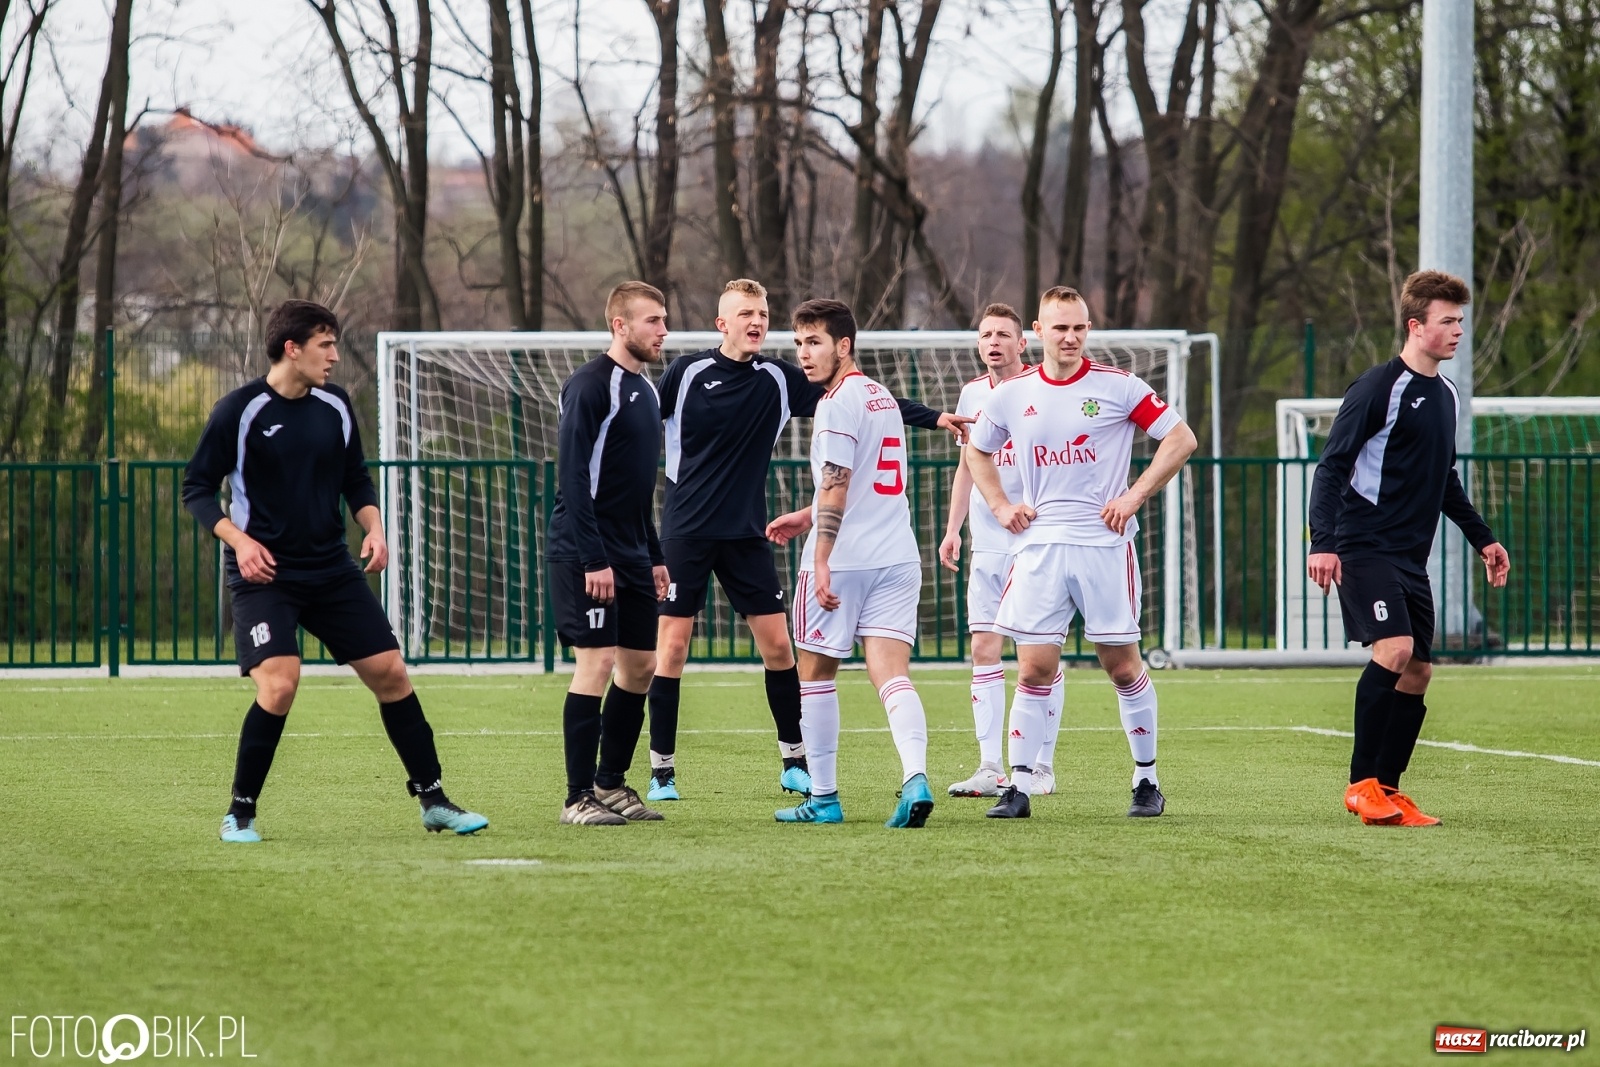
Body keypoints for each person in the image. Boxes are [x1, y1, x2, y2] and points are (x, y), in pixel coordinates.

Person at [646, 278, 969, 802]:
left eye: (763, 312)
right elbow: (643, 415)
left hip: (748, 533)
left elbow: (863, 398)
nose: (757, 321)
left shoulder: (778, 377)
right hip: (685, 530)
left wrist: (933, 417)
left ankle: (794, 761)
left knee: (780, 648)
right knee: (673, 648)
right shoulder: (687, 372)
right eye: (746, 313)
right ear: (721, 323)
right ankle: (662, 771)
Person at [182, 300, 487, 843]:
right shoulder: (240, 410)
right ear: (292, 348)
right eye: (325, 345)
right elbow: (196, 489)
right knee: (279, 684)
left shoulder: (336, 405)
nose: (335, 356)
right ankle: (240, 812)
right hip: (264, 574)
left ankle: (434, 800)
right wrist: (239, 541)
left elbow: (356, 478)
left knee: (391, 673)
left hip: (330, 569)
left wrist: (373, 527)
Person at [966, 286, 1197, 819]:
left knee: (1121, 667)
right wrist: (1001, 506)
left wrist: (1135, 494)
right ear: (1039, 334)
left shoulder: (1118, 387)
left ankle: (1146, 781)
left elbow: (1180, 438)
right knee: (1033, 668)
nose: (1070, 337)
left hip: (1103, 548)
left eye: (1079, 327)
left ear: (1087, 331)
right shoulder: (1012, 393)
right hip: (1040, 548)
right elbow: (977, 451)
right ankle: (1019, 787)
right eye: (1060, 327)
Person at [1307, 270, 1511, 827]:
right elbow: (1331, 470)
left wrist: (1483, 537)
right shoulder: (1378, 387)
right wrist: (1322, 543)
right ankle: (1360, 785)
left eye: (1461, 322)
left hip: (1409, 557)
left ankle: (1390, 791)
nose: (1458, 332)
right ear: (1415, 325)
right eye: (1448, 321)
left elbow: (1443, 479)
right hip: (1363, 546)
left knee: (1418, 671)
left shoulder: (1445, 395)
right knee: (1393, 650)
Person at [764, 299, 936, 828]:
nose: (804, 354)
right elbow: (858, 481)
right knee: (891, 676)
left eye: (814, 342)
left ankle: (824, 798)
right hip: (898, 556)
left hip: (846, 560)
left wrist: (820, 555)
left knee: (814, 676)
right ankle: (915, 778)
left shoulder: (836, 402)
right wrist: (804, 513)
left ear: (844, 346)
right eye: (798, 343)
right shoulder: (881, 396)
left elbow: (837, 483)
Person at [547, 281, 674, 826]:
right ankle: (577, 797)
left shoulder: (646, 390)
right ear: (620, 326)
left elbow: (635, 487)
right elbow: (574, 478)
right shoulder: (590, 386)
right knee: (596, 663)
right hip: (583, 549)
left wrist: (655, 554)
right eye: (652, 321)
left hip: (631, 550)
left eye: (664, 320)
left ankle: (611, 782)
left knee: (641, 666)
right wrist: (593, 557)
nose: (662, 330)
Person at [938, 303, 1064, 798]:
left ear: (1022, 343)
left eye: (1003, 334)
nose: (994, 341)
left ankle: (1040, 767)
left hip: (1035, 541)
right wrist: (954, 529)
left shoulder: (1042, 390)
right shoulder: (971, 393)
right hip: (988, 544)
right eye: (986, 334)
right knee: (983, 648)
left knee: (1039, 655)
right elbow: (969, 465)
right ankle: (991, 767)